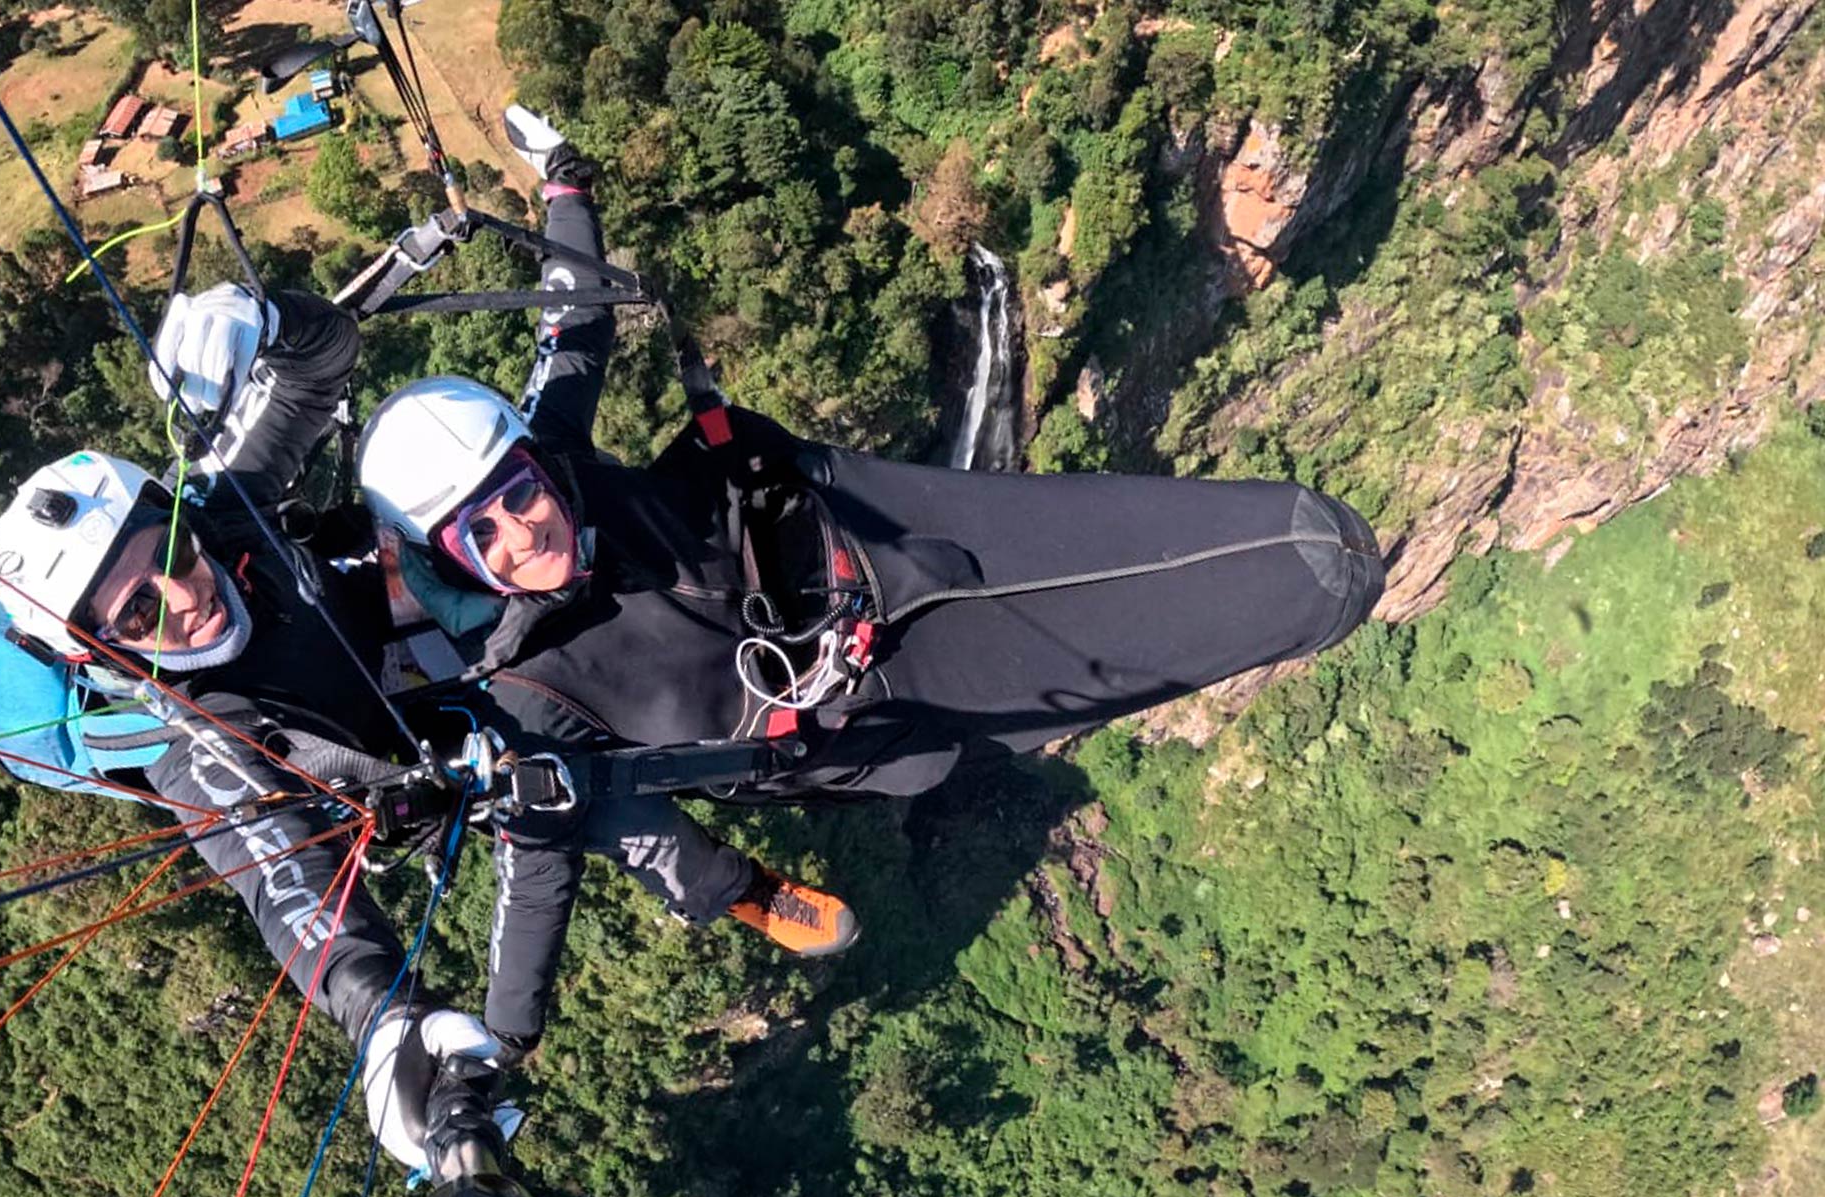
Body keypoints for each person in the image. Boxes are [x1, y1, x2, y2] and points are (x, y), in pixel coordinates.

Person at [347, 107, 1387, 1060]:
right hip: (851, 702)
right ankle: (741, 894)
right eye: (482, 529)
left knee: (1152, 544)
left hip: (845, 537)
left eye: (518, 491)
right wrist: (504, 1042)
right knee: (644, 817)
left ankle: (1301, 573)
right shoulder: (526, 698)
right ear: (447, 554)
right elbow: (542, 872)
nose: (523, 525)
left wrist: (564, 181)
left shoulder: (558, 467)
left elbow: (576, 326)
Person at [0, 281, 507, 1176]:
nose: (187, 595)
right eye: (138, 614)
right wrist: (383, 1018)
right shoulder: (201, 745)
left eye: (170, 554)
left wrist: (263, 314)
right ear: (102, 658)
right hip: (419, 718)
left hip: (396, 618)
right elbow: (290, 888)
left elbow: (319, 367)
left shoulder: (221, 510)